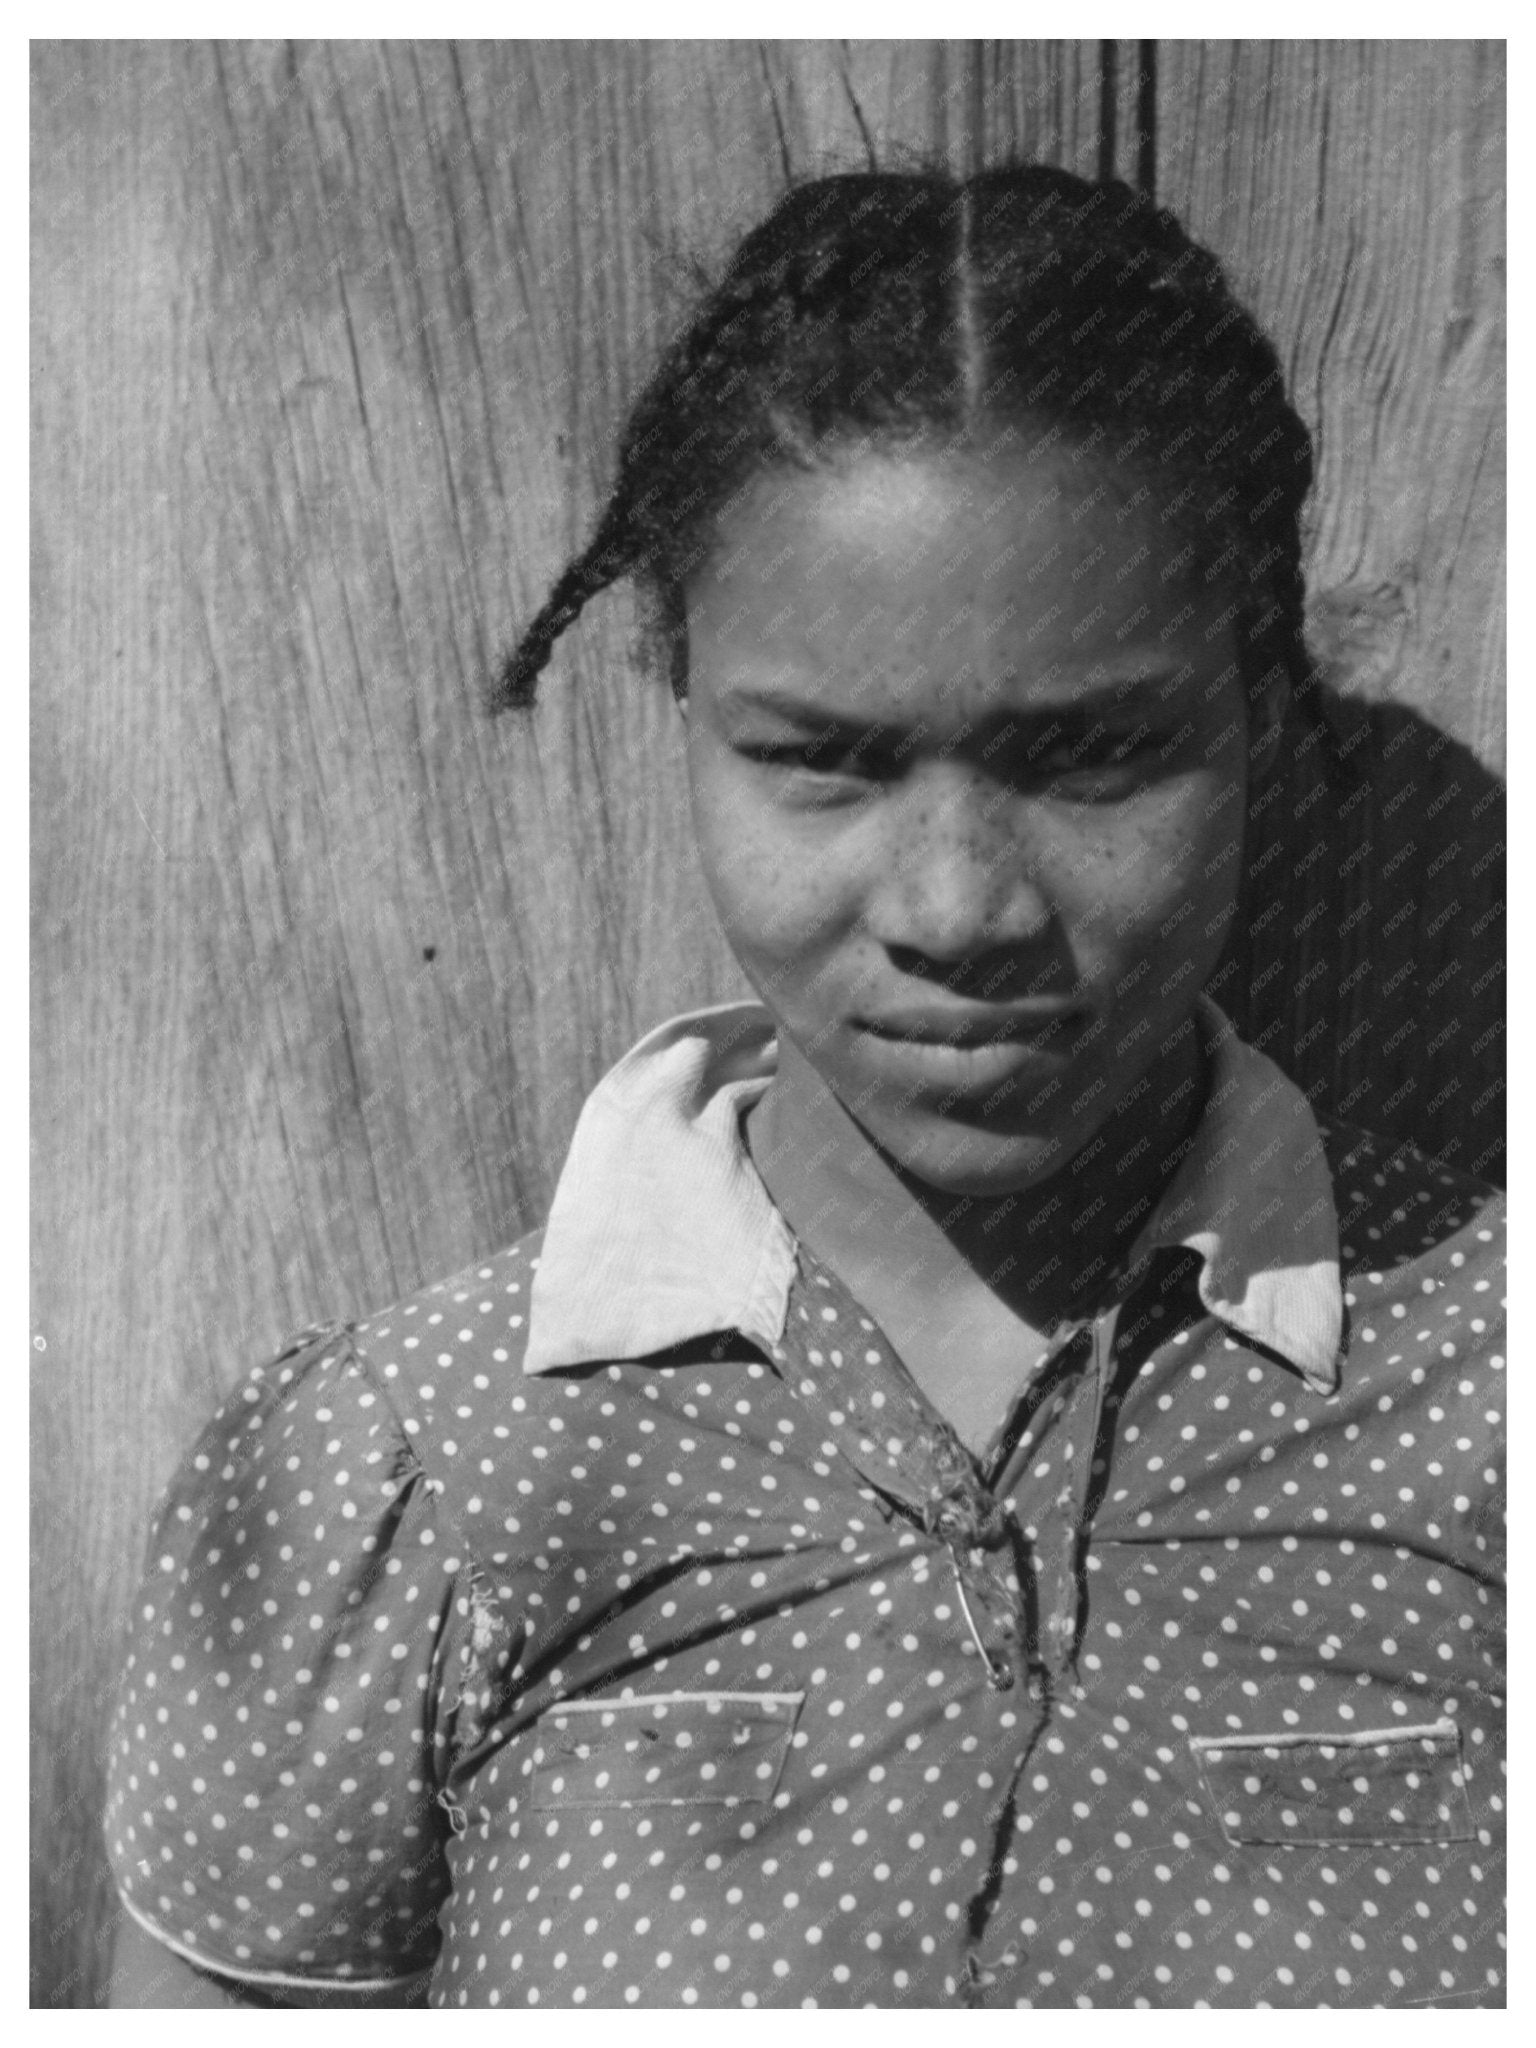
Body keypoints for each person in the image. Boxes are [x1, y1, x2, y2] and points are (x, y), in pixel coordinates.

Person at [105, 164, 1504, 2010]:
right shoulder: (406, 1479)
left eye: (1091, 758)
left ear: (1261, 706)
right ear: (684, 704)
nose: (957, 909)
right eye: (825, 764)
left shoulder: (1489, 1395)